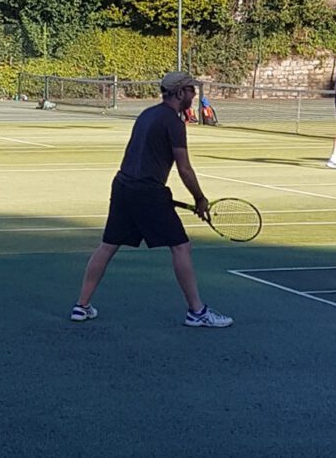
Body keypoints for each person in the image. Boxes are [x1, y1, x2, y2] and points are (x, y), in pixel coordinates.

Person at [70, 71, 233, 328]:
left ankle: (81, 306)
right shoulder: (174, 123)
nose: (194, 94)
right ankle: (197, 312)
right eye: (191, 90)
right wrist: (200, 199)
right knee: (181, 246)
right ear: (180, 93)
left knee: (108, 246)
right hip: (146, 191)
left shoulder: (147, 114)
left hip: (123, 186)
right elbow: (184, 168)